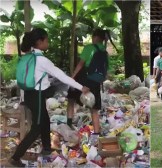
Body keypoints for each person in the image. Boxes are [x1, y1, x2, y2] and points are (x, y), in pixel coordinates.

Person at [10, 28, 89, 167]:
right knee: (36, 128)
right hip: (37, 96)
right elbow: (62, 77)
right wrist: (81, 87)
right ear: (39, 42)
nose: (48, 42)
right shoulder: (42, 60)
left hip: (29, 94)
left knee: (45, 120)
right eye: (46, 40)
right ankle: (15, 157)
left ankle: (46, 149)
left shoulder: (27, 56)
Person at [66, 28, 108, 145]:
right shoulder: (104, 50)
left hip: (84, 78)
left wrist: (72, 77)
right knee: (94, 109)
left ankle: (69, 124)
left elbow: (81, 64)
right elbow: (105, 70)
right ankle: (96, 135)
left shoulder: (89, 48)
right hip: (95, 82)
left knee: (71, 99)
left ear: (95, 37)